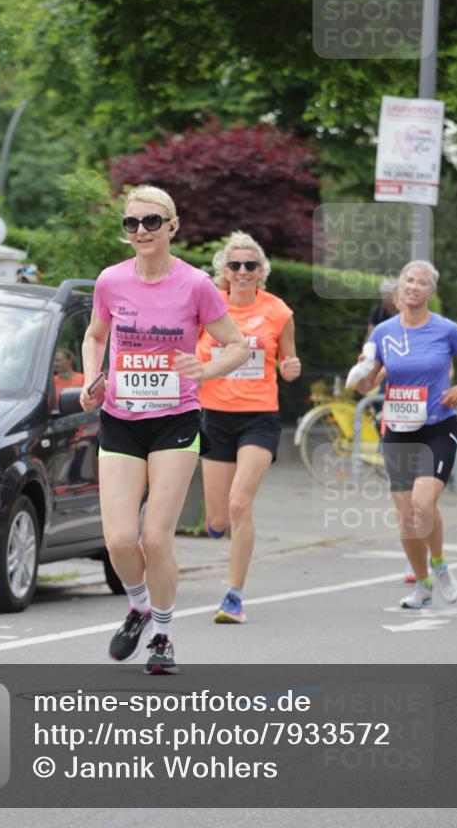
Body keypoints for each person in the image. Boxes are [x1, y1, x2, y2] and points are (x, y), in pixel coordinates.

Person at [79, 185, 249, 673]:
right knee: (118, 539)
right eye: (131, 223)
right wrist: (94, 376)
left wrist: (206, 370)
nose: (141, 232)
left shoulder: (195, 284)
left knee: (155, 539)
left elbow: (236, 345)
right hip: (120, 419)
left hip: (174, 419)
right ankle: (138, 605)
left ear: (172, 226)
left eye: (151, 221)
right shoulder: (111, 280)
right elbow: (95, 335)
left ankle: (164, 636)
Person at [356, 260, 457, 609]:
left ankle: (440, 564)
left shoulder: (447, 330)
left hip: (437, 426)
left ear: (431, 291)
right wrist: (363, 375)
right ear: (400, 287)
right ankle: (423, 585)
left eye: (421, 282)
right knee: (407, 517)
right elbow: (369, 382)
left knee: (423, 504)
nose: (414, 286)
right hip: (398, 428)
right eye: (409, 280)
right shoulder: (383, 332)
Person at [195, 232, 301, 623]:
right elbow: (192, 352)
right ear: (224, 270)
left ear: (261, 272)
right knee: (219, 518)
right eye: (235, 265)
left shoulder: (278, 312)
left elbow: (289, 362)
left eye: (250, 266)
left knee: (241, 504)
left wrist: (291, 368)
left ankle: (234, 597)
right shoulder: (208, 307)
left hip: (259, 417)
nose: (242, 272)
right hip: (215, 417)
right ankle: (217, 523)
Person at [364, 278, 398, 343]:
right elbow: (370, 335)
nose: (386, 298)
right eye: (384, 294)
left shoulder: (403, 311)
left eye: (389, 295)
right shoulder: (377, 311)